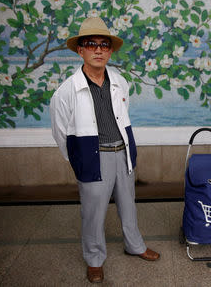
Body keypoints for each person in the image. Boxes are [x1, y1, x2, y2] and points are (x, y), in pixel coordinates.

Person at [50, 17, 160, 284]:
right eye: (91, 44)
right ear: (80, 50)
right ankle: (94, 259)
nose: (98, 50)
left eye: (104, 45)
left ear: (110, 51)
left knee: (128, 205)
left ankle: (134, 245)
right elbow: (60, 132)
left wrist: (125, 153)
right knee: (93, 212)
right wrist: (78, 161)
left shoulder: (121, 82)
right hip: (92, 156)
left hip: (122, 153)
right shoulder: (66, 92)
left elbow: (124, 118)